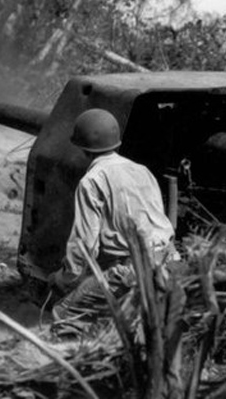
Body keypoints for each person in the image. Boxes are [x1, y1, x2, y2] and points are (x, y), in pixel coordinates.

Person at [48, 108, 178, 331]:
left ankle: (74, 361)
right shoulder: (142, 170)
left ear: (82, 148)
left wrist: (64, 279)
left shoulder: (92, 181)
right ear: (116, 142)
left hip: (134, 270)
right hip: (171, 261)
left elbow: (83, 248)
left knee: (64, 314)